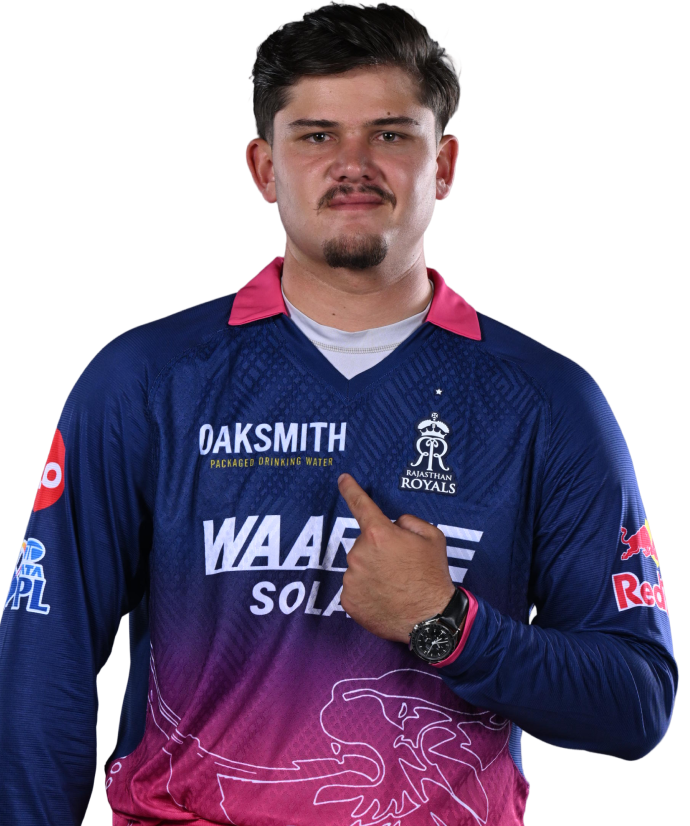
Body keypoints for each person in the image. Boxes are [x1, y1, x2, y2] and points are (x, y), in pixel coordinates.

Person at [0, 3, 677, 824]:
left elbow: (637, 705)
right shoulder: (144, 379)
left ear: (444, 165)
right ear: (263, 168)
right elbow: (49, 658)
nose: (353, 165)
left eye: (391, 134)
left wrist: (446, 623)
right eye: (317, 135)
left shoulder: (550, 400)